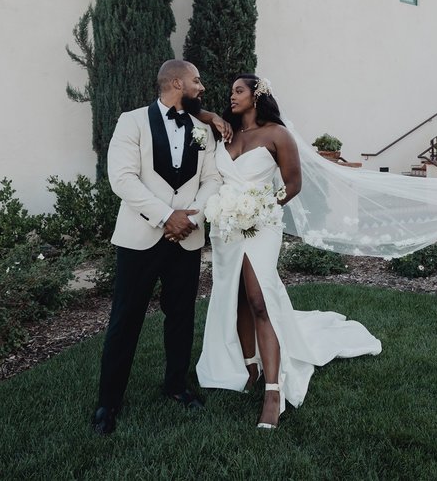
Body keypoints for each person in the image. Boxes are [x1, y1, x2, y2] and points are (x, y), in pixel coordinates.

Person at [196, 74, 382, 429]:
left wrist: (263, 205)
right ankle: (249, 367)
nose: (231, 96)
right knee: (236, 297)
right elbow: (195, 111)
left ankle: (273, 391)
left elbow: (293, 184)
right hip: (226, 228)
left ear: (257, 96)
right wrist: (210, 117)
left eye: (239, 91)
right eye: (230, 92)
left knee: (260, 298)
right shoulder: (227, 132)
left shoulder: (278, 135)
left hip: (261, 225)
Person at [92, 59, 227, 436]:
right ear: (176, 82)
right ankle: (109, 401)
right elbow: (122, 178)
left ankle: (176, 386)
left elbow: (213, 179)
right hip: (141, 237)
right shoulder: (131, 121)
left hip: (187, 239)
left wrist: (192, 219)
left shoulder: (204, 129)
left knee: (181, 317)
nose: (202, 87)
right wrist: (167, 216)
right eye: (196, 81)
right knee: (125, 319)